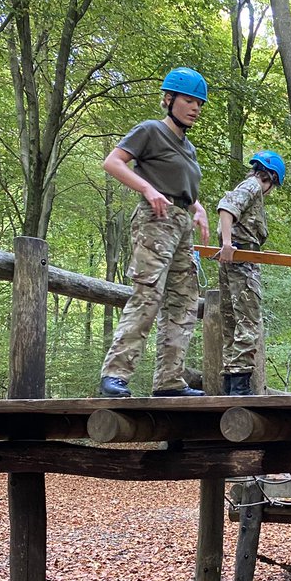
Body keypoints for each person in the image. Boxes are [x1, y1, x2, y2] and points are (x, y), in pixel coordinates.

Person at [99, 67, 210, 398]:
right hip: (155, 219)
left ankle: (169, 381)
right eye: (189, 100)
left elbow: (181, 187)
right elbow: (113, 162)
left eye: (199, 104)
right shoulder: (150, 131)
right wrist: (147, 189)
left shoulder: (187, 148)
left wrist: (198, 208)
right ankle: (114, 375)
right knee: (147, 294)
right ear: (169, 99)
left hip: (180, 224)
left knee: (184, 303)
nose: (195, 108)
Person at [216, 150, 286, 396]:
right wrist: (227, 244)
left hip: (238, 257)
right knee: (248, 321)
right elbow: (226, 208)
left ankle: (230, 380)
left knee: (231, 321)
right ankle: (239, 384)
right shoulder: (253, 186)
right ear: (272, 179)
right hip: (240, 260)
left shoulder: (247, 186)